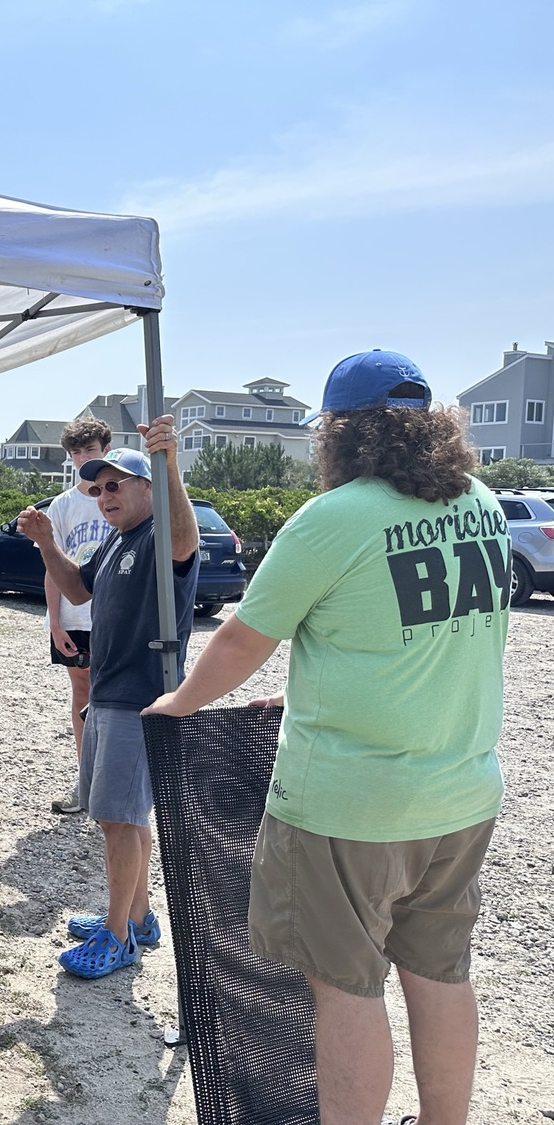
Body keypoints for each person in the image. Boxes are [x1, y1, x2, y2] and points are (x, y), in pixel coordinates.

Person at [145, 351, 507, 1125]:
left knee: (346, 987)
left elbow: (243, 638)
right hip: (461, 793)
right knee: (441, 971)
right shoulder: (478, 501)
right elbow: (428, 639)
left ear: (341, 434)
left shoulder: (335, 516)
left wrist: (177, 701)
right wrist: (316, 686)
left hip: (352, 805)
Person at [18, 415, 198, 980]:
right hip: (107, 690)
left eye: (115, 484)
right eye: (97, 487)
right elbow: (77, 587)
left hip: (139, 696)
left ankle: (119, 937)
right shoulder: (119, 541)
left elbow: (184, 537)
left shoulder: (160, 536)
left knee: (119, 821)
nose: (103, 495)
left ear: (148, 488)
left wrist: (168, 462)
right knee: (122, 817)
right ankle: (137, 916)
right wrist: (47, 543)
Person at [43, 417, 115, 815]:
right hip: (74, 616)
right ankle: (85, 780)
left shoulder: (122, 497)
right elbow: (52, 565)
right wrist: (54, 621)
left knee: (117, 697)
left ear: (105, 449)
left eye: (89, 450)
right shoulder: (63, 505)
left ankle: (113, 780)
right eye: (76, 453)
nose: (82, 458)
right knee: (82, 694)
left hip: (116, 616)